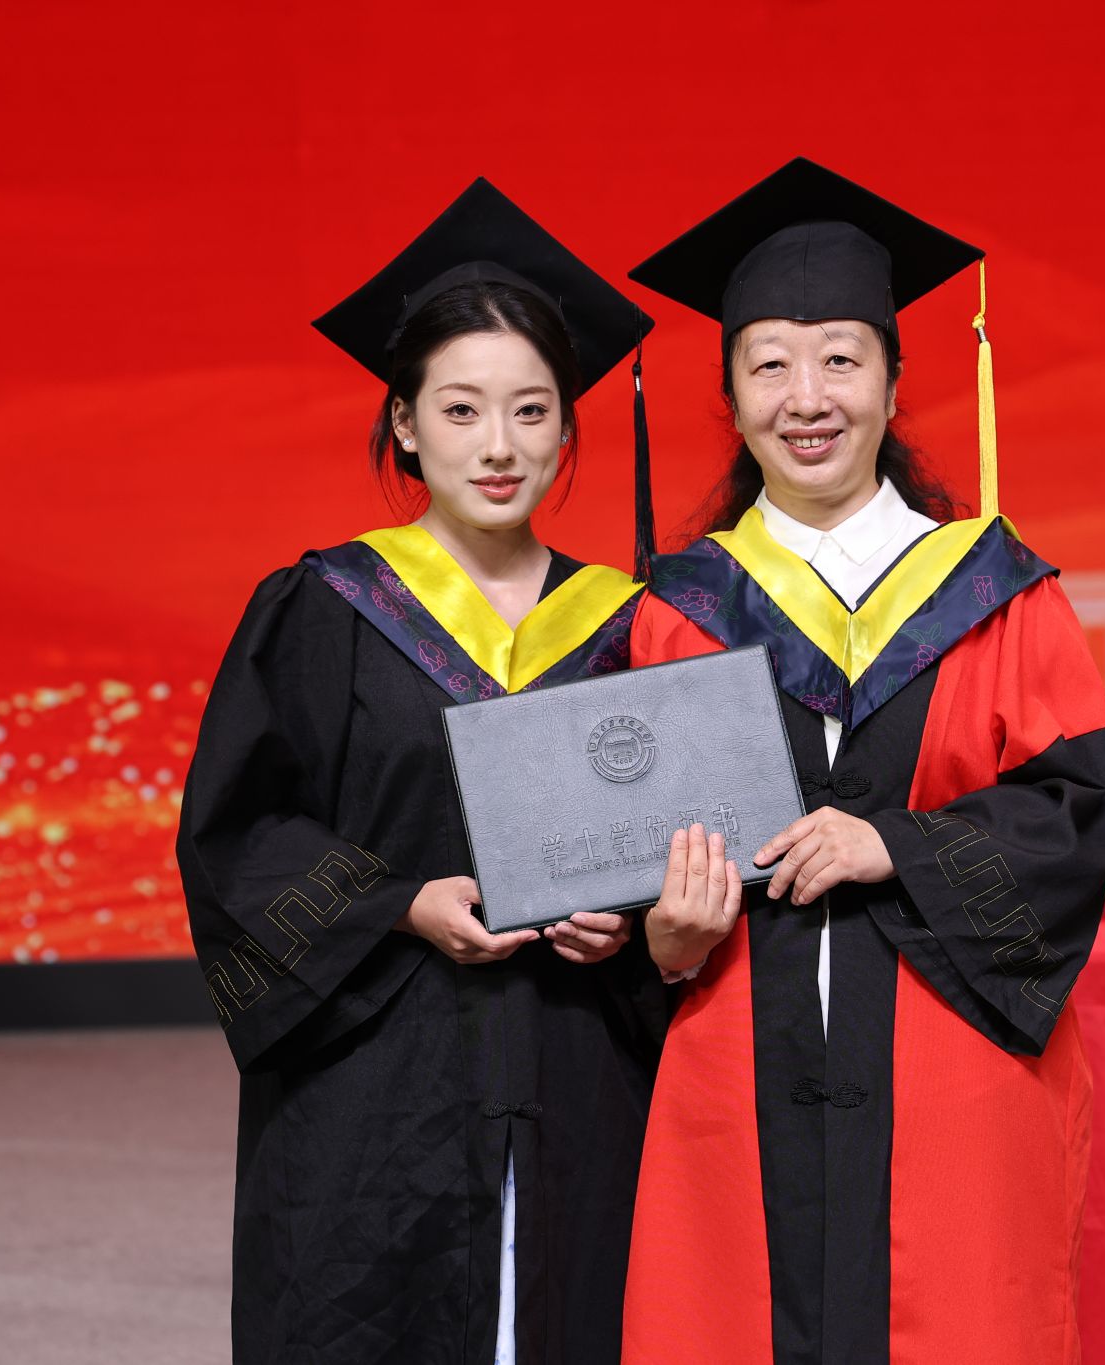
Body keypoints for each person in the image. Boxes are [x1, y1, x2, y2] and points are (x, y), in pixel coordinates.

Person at [618, 159, 1105, 1365]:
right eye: (769, 366)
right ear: (731, 396)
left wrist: (891, 842)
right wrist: (658, 935)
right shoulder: (672, 613)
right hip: (732, 1064)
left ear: (893, 384)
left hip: (951, 1075)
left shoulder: (998, 596)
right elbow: (617, 846)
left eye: (840, 360)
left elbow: (1078, 814)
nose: (807, 398)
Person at [177, 178, 665, 1365]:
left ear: (566, 429)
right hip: (375, 1088)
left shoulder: (632, 626)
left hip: (579, 1071)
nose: (498, 446)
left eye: (530, 412)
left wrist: (630, 917)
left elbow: (687, 834)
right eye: (459, 409)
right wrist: (398, 903)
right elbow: (238, 834)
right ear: (403, 424)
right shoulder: (324, 608)